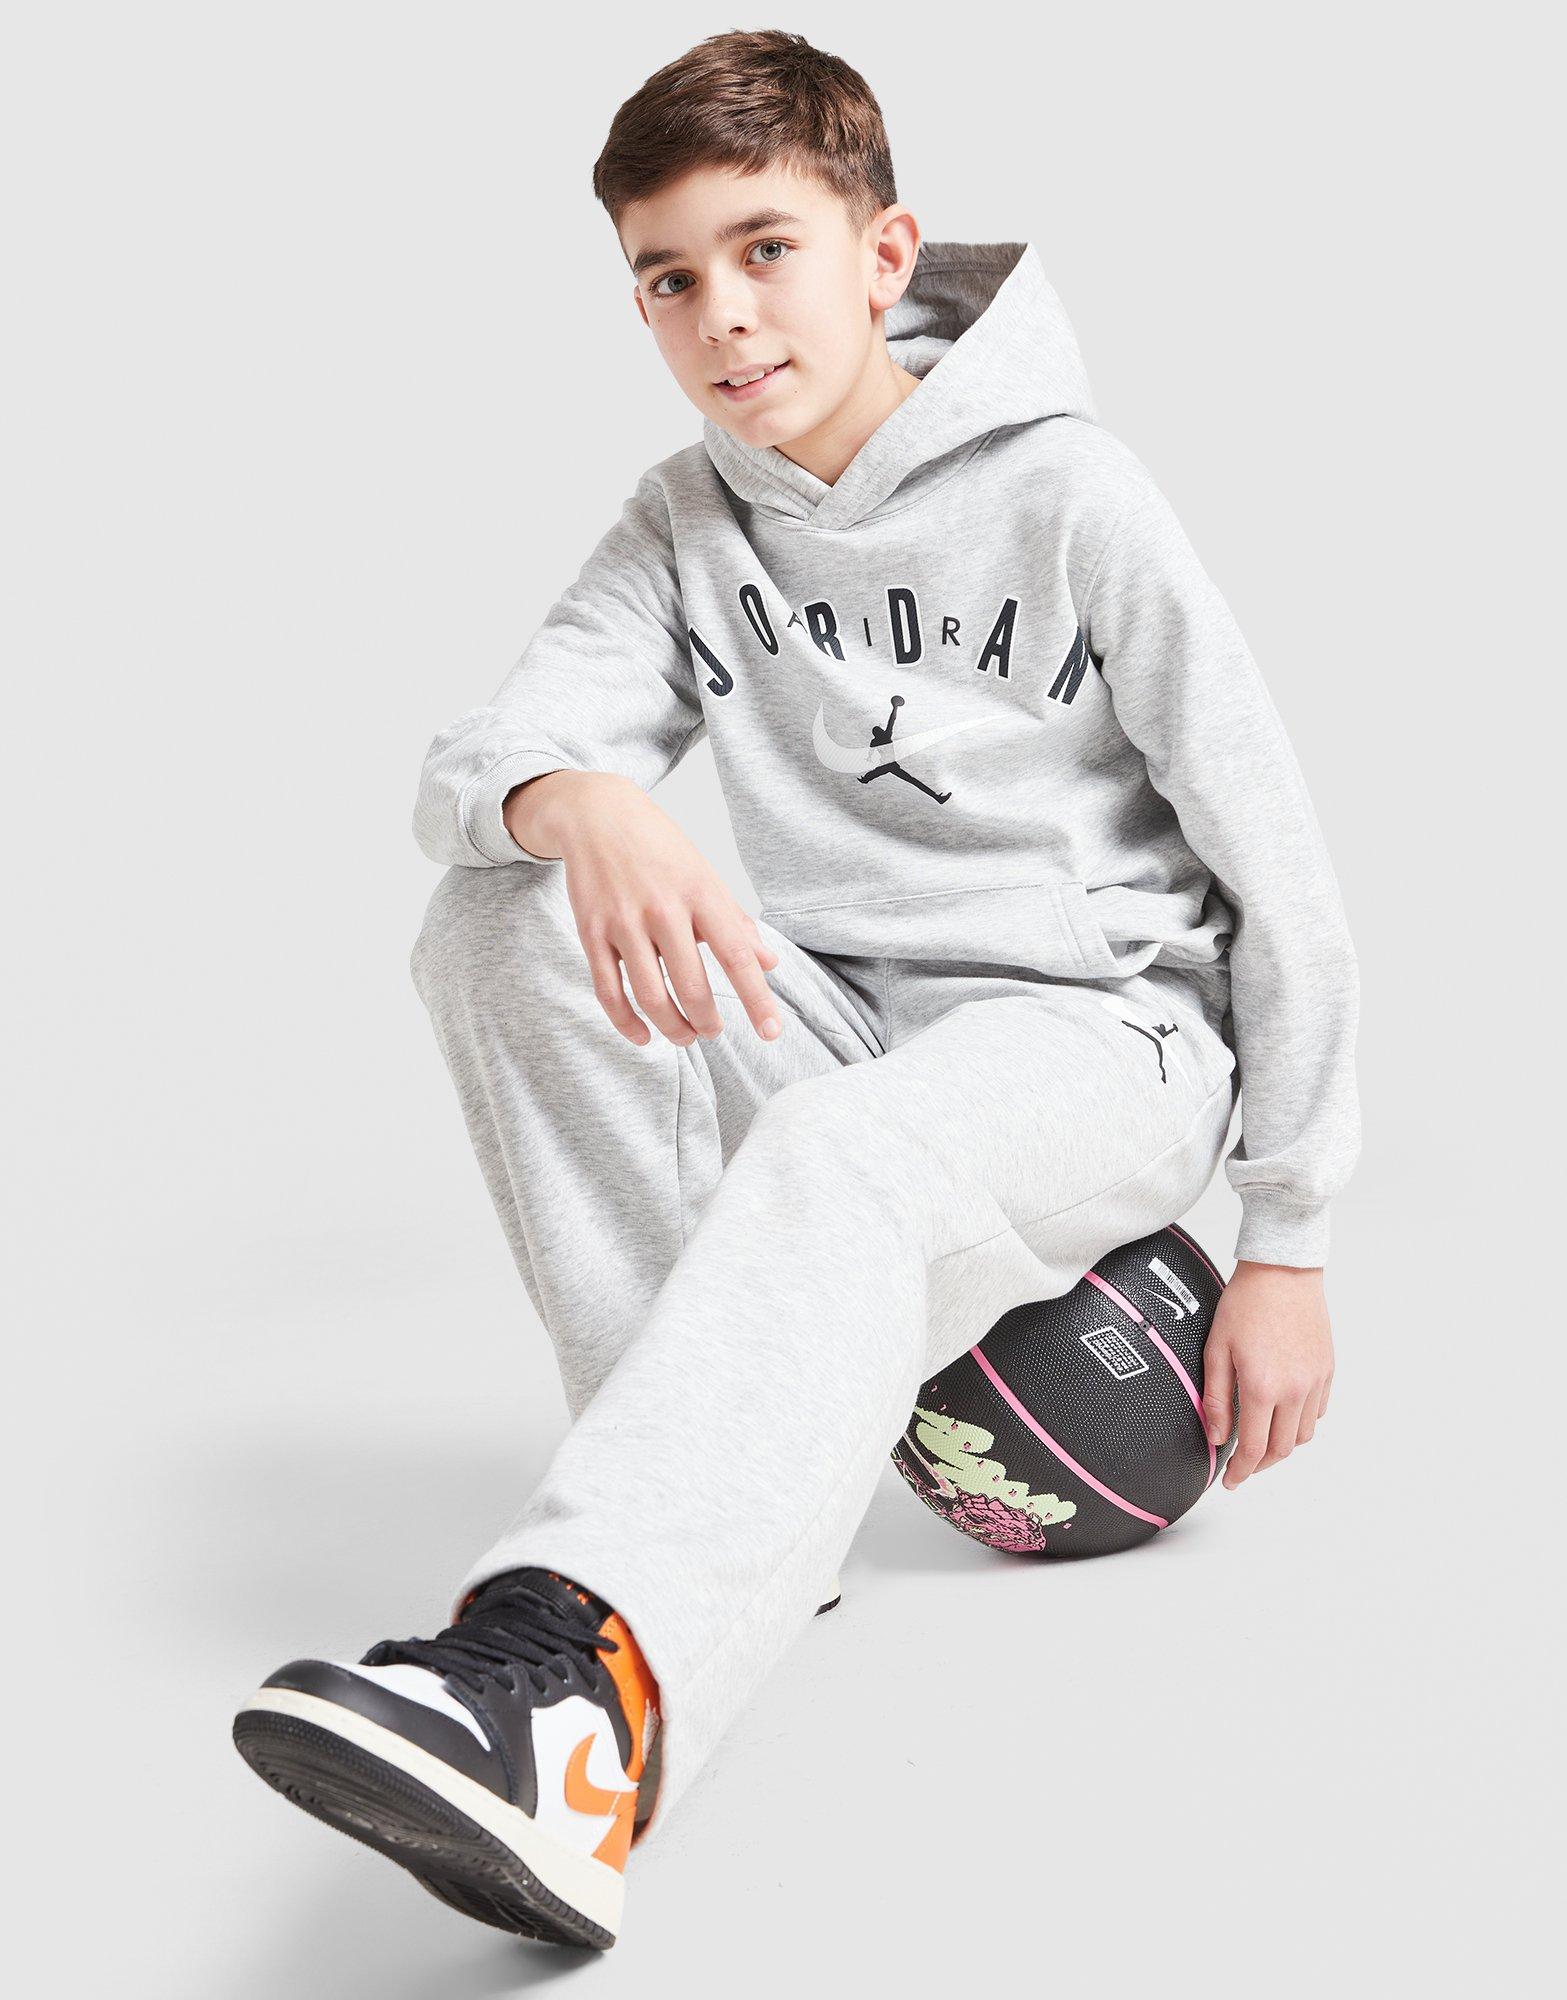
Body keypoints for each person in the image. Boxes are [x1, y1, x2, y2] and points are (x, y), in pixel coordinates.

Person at [232, 28, 1361, 1952]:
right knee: (495, 916)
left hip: (1108, 1038)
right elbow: (474, 766)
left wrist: (1293, 1239)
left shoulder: (1075, 496)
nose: (724, 315)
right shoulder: (688, 518)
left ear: (881, 249)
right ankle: (706, 1518)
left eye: (766, 249)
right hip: (855, 1022)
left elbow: (1284, 871)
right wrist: (582, 798)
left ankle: (581, 1691)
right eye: (668, 278)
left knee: (842, 1149)